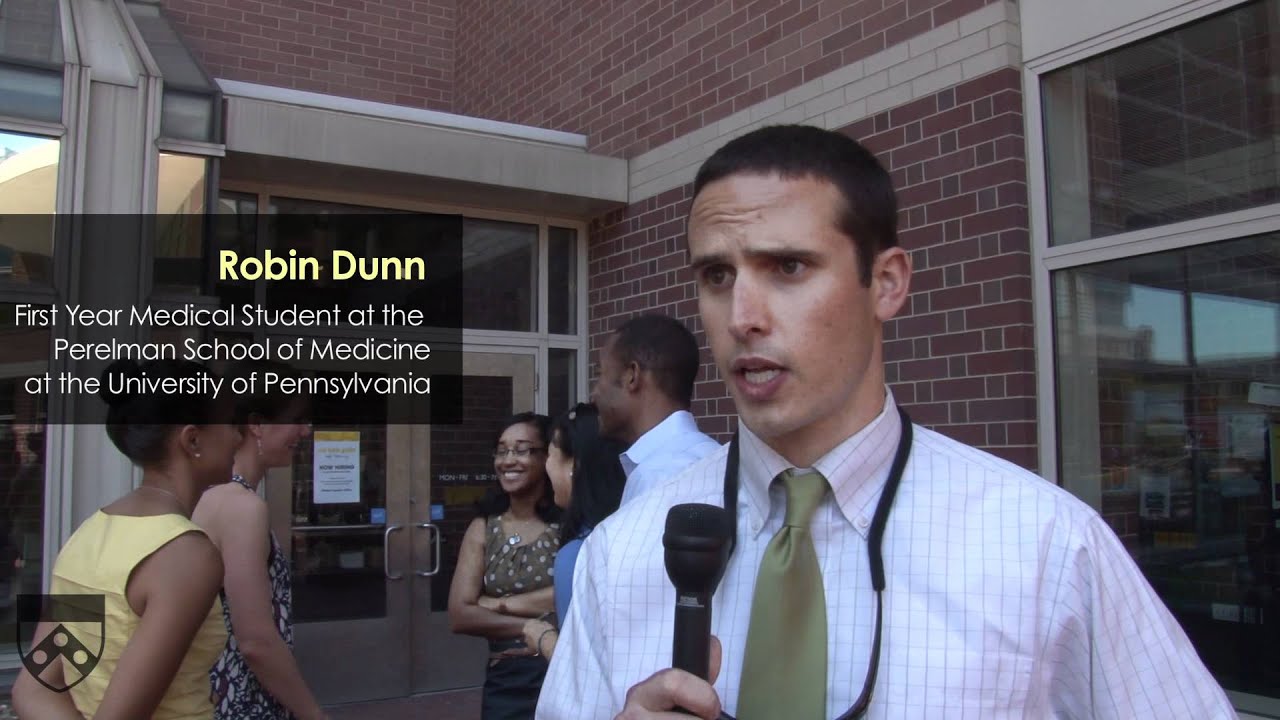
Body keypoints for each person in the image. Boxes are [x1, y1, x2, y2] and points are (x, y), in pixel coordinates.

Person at [536, 125, 1236, 719]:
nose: (742, 316)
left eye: (787, 266)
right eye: (717, 276)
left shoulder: (1048, 551)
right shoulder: (621, 557)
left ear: (889, 283)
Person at [13, 358, 241, 719]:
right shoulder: (185, 554)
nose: (239, 436)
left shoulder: (92, 533)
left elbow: (35, 689)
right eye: (230, 423)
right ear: (192, 439)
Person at [192, 360, 328, 720]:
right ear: (256, 424)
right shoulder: (241, 507)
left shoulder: (211, 495)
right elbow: (255, 640)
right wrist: (314, 714)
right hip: (239, 703)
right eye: (296, 418)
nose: (305, 431)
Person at [448, 412, 561, 719]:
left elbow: (574, 592)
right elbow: (460, 614)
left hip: (561, 671)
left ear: (547, 456)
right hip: (506, 678)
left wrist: (495, 605)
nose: (508, 460)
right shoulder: (484, 527)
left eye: (522, 450)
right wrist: (530, 627)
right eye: (502, 450)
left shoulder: (568, 524)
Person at [519, 403, 627, 660]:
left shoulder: (580, 552)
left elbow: (579, 666)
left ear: (573, 466)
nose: (545, 466)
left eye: (550, 454)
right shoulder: (630, 532)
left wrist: (544, 638)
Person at [591, 314, 720, 505]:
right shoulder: (716, 458)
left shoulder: (657, 477)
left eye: (600, 374)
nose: (594, 393)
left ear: (631, 376)